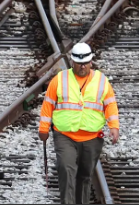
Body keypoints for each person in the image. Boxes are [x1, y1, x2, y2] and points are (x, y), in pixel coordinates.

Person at [39, 43, 120, 204]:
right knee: (66, 170)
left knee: (84, 176)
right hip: (65, 135)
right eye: (78, 63)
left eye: (85, 63)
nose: (82, 66)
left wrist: (114, 126)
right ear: (72, 61)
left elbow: (110, 104)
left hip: (91, 137)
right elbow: (48, 104)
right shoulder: (60, 79)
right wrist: (43, 128)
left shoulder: (102, 81)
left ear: (91, 62)